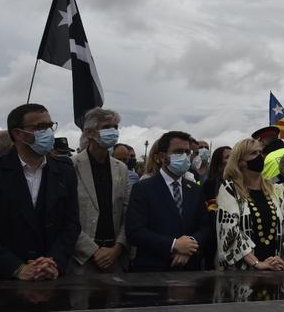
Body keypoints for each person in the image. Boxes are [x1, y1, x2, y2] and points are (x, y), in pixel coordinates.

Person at [0, 103, 80, 279]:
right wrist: (17, 268)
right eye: (40, 127)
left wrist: (53, 263)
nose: (48, 132)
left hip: (49, 278)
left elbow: (71, 225)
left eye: (50, 126)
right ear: (18, 133)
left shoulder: (65, 171)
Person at [126, 131, 211, 272]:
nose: (184, 156)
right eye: (178, 152)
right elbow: (135, 231)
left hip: (189, 272)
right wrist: (174, 245)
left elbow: (205, 227)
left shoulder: (195, 189)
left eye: (187, 152)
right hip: (152, 273)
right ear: (161, 157)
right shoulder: (143, 188)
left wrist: (189, 246)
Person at [215, 139, 284, 270]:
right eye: (253, 153)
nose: (259, 157)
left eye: (260, 152)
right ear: (240, 162)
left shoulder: (275, 189)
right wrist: (257, 263)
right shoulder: (229, 189)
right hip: (243, 274)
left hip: (276, 269)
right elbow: (230, 230)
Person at [70, 108, 130, 274]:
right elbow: (67, 216)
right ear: (89, 133)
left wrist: (117, 248)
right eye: (106, 127)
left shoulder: (121, 168)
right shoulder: (71, 166)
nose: (113, 132)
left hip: (115, 256)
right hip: (81, 259)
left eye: (116, 127)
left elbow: (128, 211)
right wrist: (93, 251)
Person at [201, 145, 231, 270]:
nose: (232, 159)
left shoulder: (240, 182)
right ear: (219, 163)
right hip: (216, 241)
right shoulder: (210, 184)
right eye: (228, 157)